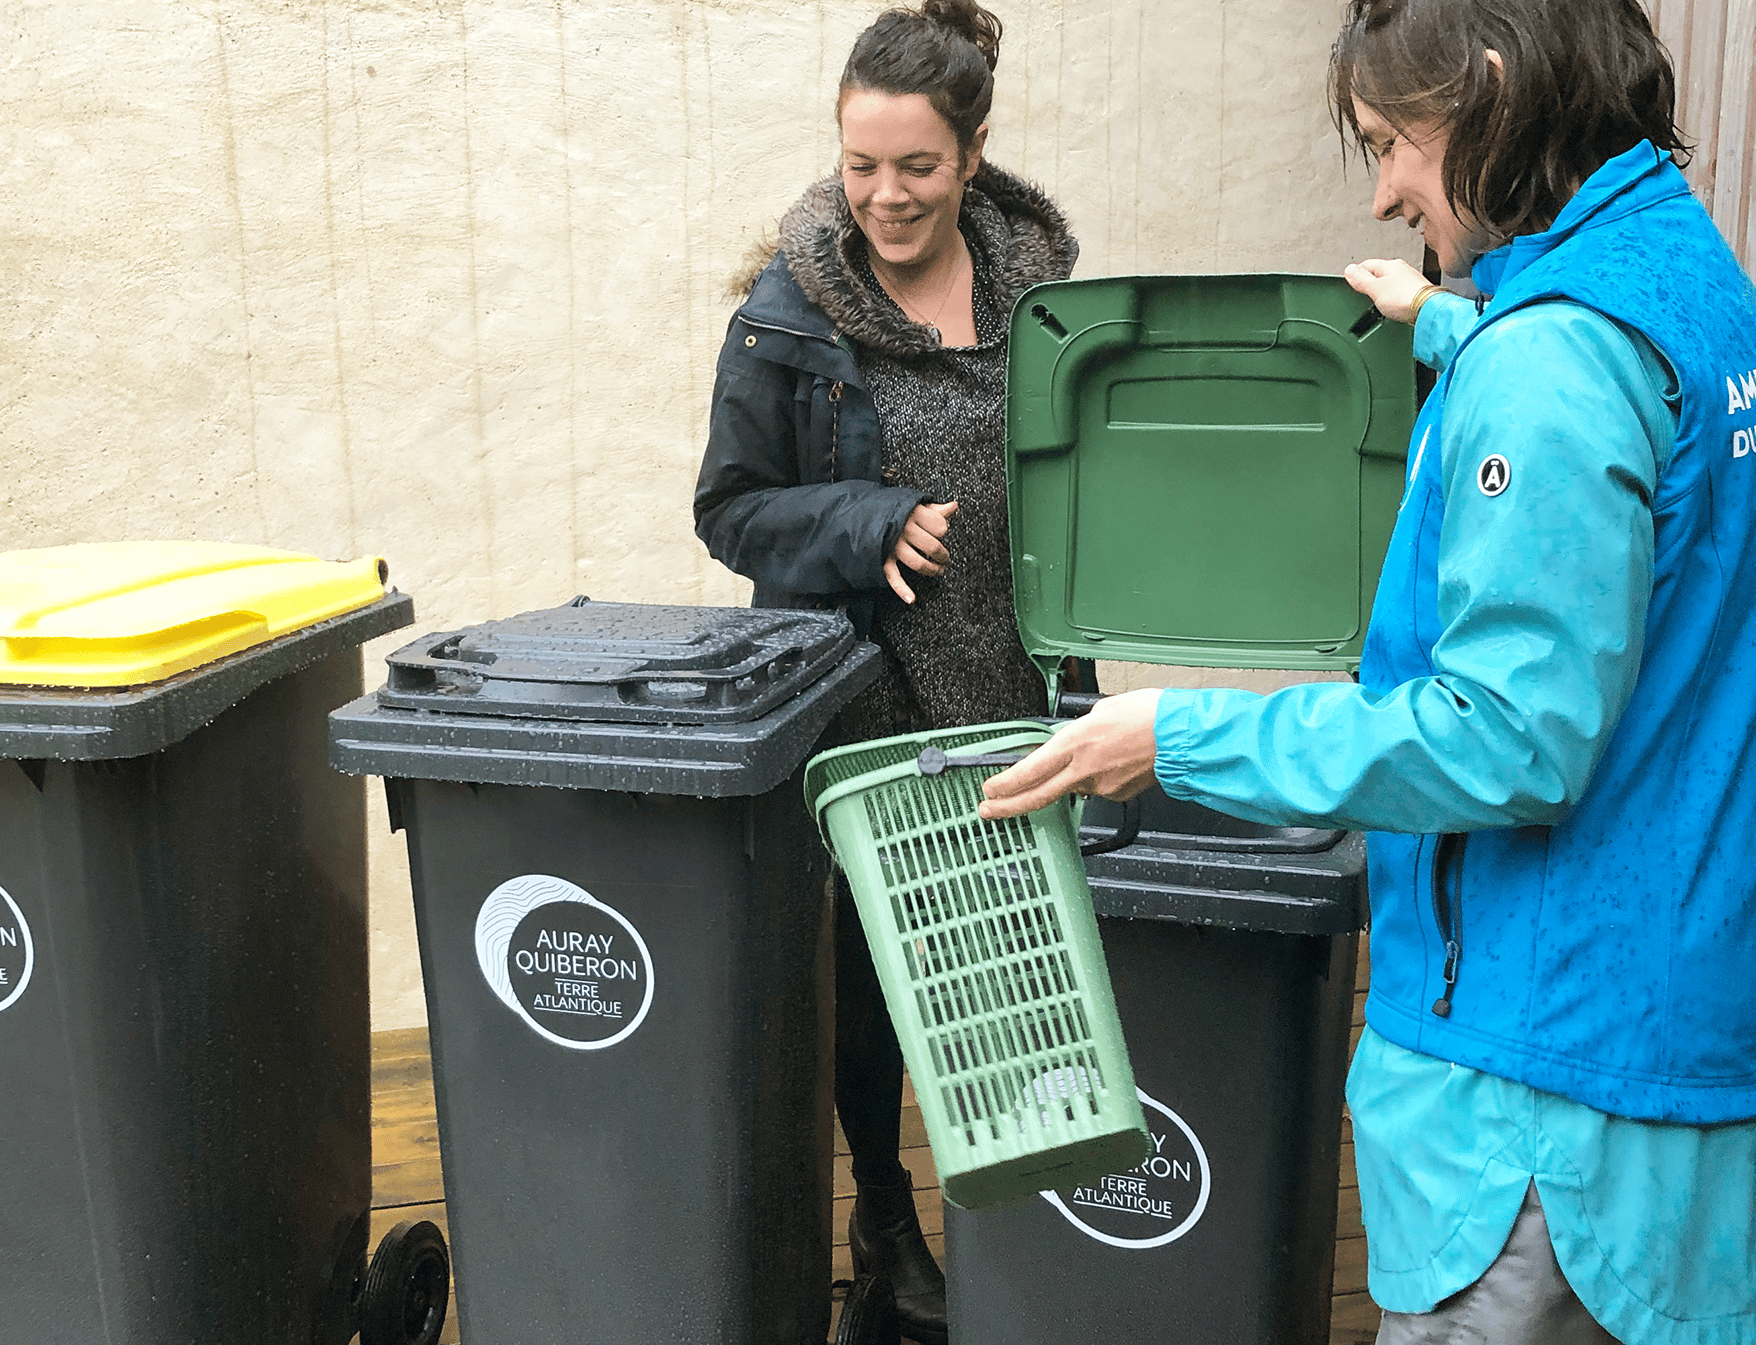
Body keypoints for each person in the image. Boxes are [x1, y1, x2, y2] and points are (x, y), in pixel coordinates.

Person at [979, 2, 1756, 1342]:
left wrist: (1180, 735)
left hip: (1538, 1084)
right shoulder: (1689, 276)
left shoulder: (1550, 361)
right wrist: (1454, 324)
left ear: (1497, 92)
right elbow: (1612, 448)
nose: (1389, 190)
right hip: (1671, 1008)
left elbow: (1510, 736)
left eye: (1393, 142)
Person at [691, 3, 1076, 1340]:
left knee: (1015, 979)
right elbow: (732, 509)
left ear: (971, 152)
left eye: (915, 167)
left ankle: (1017, 1244)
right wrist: (866, 522)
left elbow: (1088, 489)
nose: (885, 196)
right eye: (862, 165)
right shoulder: (789, 316)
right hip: (859, 707)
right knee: (864, 996)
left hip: (1011, 697)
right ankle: (881, 1207)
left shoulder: (1045, 304)